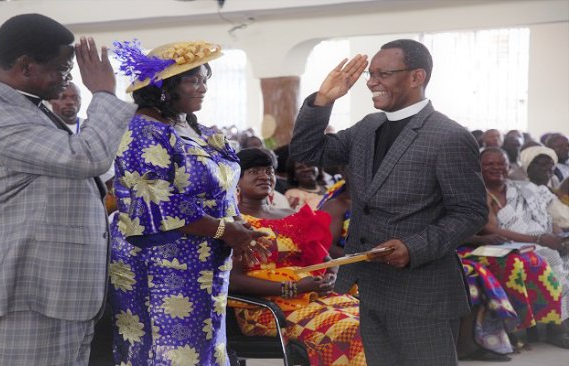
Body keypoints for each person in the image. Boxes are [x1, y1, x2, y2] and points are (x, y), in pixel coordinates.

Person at [0, 14, 138, 365]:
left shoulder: (27, 108)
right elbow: (86, 156)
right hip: (21, 292)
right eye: (62, 69)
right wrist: (102, 92)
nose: (68, 79)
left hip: (54, 292)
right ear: (25, 66)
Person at [289, 39, 488, 365]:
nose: (370, 82)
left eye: (384, 74)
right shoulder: (369, 127)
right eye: (371, 73)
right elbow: (307, 152)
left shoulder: (448, 136)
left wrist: (414, 247)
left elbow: (471, 211)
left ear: (416, 77)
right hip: (372, 285)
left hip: (422, 291)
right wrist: (324, 100)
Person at [108, 40, 269, 365]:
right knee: (169, 352)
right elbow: (156, 204)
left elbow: (223, 186)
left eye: (205, 78)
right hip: (163, 267)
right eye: (193, 80)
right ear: (164, 88)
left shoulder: (198, 130)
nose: (204, 87)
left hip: (206, 265)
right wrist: (226, 230)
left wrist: (239, 229)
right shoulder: (143, 132)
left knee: (206, 350)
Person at [230, 148, 366, 366]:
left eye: (268, 170)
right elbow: (232, 281)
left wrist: (331, 276)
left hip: (315, 297)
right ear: (235, 178)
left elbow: (328, 260)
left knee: (376, 324)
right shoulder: (234, 224)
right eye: (254, 171)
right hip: (265, 308)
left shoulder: (294, 217)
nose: (264, 176)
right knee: (351, 330)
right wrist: (292, 288)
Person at [476, 147, 569, 349]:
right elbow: (492, 228)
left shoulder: (524, 189)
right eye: (489, 164)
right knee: (549, 257)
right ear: (479, 168)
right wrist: (540, 239)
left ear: (509, 167)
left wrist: (557, 235)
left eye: (501, 163)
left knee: (562, 256)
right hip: (501, 246)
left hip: (534, 241)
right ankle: (558, 326)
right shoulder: (479, 193)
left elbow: (545, 217)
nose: (496, 168)